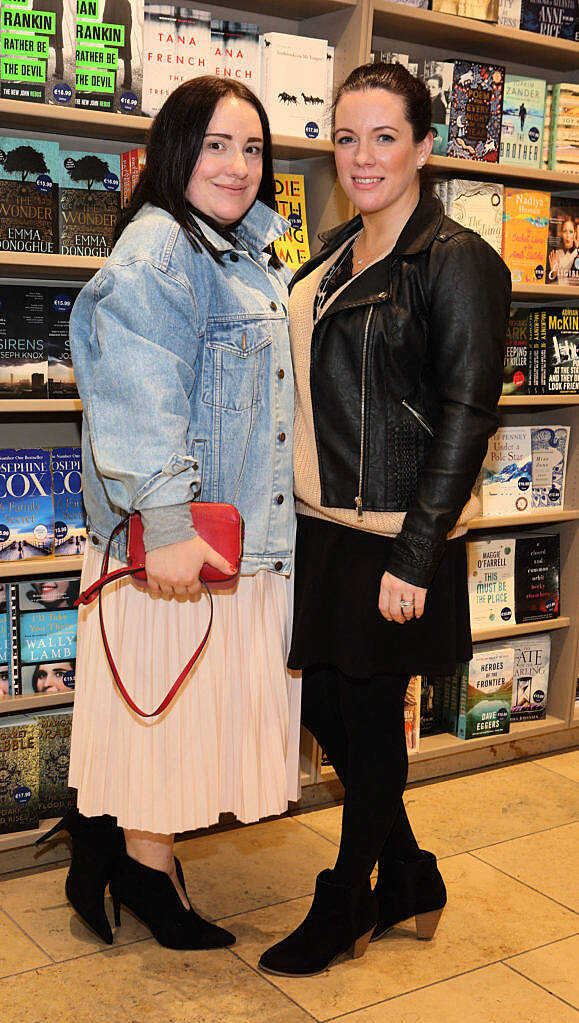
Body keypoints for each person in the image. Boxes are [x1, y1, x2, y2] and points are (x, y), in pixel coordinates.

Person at [258, 61, 511, 978]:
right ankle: (408, 873)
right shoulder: (330, 252)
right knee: (328, 704)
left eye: (384, 137)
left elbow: (466, 417)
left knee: (366, 720)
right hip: (322, 525)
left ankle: (349, 897)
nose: (360, 156)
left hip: (397, 537)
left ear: (424, 148)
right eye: (345, 135)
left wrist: (413, 553)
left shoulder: (456, 262)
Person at [38, 76, 297, 953]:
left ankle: (109, 847)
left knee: (169, 719)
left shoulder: (241, 247)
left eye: (253, 148)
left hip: (221, 539)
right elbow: (139, 395)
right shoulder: (159, 251)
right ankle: (144, 872)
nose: (237, 165)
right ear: (173, 152)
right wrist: (173, 526)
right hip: (176, 541)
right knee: (165, 724)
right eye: (216, 145)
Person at [548, 215, 579, 285]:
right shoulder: (556, 254)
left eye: (571, 232)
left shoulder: (576, 254)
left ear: (575, 234)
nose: (568, 235)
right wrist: (553, 273)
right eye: (565, 231)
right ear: (561, 233)